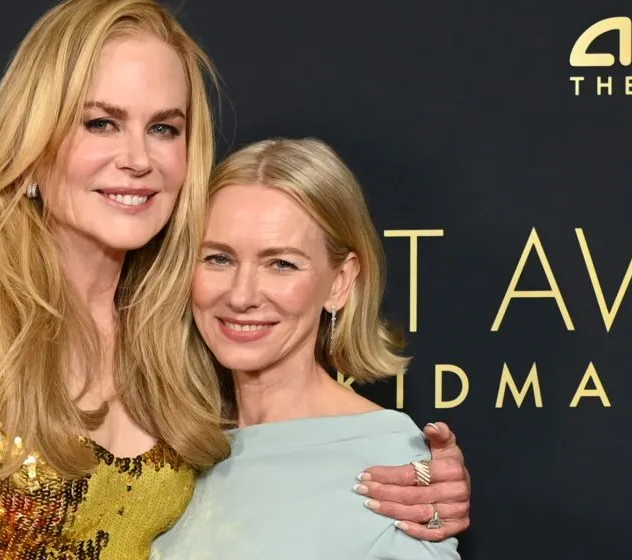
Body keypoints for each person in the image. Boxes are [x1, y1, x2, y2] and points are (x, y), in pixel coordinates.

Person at [0, 0, 470, 560]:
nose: (138, 158)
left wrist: (422, 477)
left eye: (164, 128)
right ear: (35, 144)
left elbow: (282, 469)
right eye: (102, 124)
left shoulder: (179, 337)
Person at [151, 137, 463, 559]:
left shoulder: (387, 462)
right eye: (218, 259)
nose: (242, 295)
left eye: (281, 264)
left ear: (340, 282)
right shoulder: (169, 438)